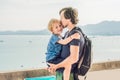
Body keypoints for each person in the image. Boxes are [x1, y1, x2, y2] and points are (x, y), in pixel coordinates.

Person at [48, 7, 85, 80]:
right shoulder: (68, 33)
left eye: (62, 18)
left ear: (69, 19)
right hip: (62, 73)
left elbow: (74, 58)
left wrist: (56, 66)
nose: (60, 20)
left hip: (70, 75)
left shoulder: (75, 34)